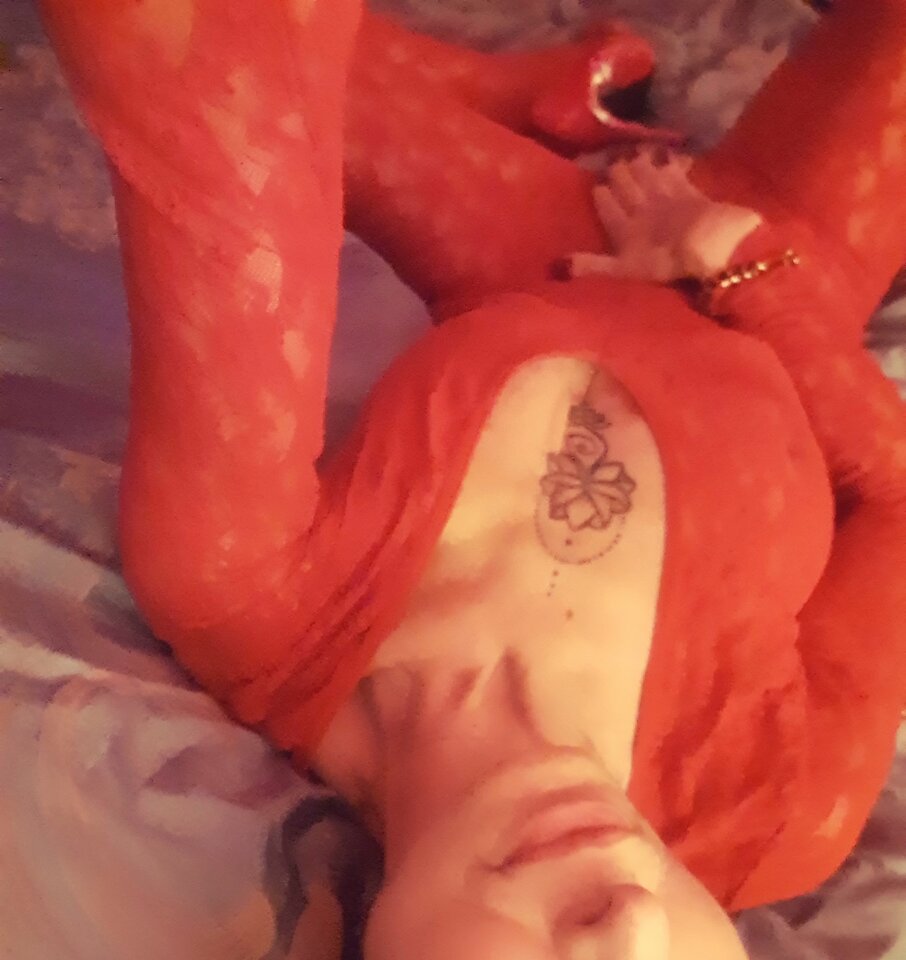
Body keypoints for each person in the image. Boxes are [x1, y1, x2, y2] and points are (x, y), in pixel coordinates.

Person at [39, 0, 906, 956]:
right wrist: (745, 271)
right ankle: (506, 91)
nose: (625, 924)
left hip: (533, 252)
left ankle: (498, 91)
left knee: (233, 60)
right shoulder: (781, 815)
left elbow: (213, 73)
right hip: (789, 264)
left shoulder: (251, 586)